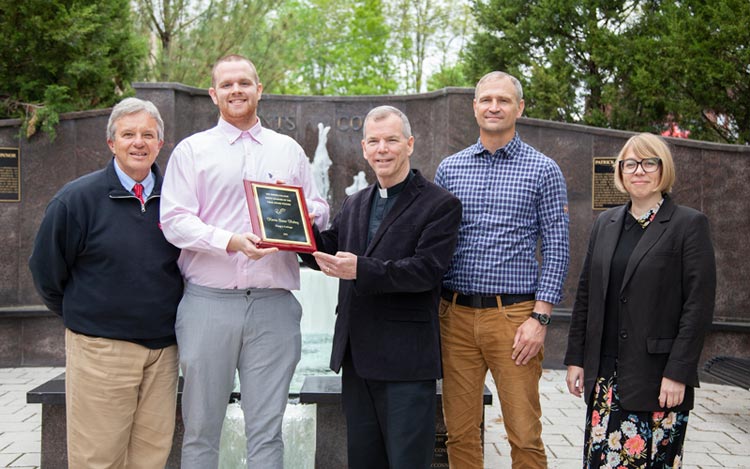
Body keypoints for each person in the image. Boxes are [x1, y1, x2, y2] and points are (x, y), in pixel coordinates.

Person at [159, 54, 329, 469]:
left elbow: (320, 209)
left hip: (273, 306)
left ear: (259, 89)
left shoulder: (287, 150)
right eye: (228, 84)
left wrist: (295, 223)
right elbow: (174, 222)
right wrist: (230, 241)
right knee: (200, 431)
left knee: (267, 433)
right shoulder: (192, 151)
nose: (237, 90)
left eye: (245, 83)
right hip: (208, 303)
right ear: (214, 94)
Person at [301, 105, 462, 469]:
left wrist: (362, 268)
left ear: (409, 144)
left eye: (391, 140)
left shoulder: (440, 204)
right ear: (363, 148)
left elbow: (426, 271)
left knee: (407, 462)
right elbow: (327, 248)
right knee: (363, 461)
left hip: (405, 362)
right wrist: (295, 232)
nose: (382, 149)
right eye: (373, 141)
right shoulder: (357, 201)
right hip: (357, 358)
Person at [28, 97, 183, 468]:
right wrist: (89, 320)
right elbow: (47, 272)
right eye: (128, 134)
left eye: (148, 134)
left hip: (163, 353)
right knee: (98, 459)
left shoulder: (179, 199)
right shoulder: (76, 200)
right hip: (102, 350)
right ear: (111, 143)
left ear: (160, 143)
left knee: (151, 457)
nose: (138, 142)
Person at [434, 71, 570, 468]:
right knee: (459, 433)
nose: (494, 106)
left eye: (504, 100)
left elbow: (558, 248)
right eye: (487, 99)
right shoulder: (450, 169)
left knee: (524, 434)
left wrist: (540, 318)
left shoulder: (543, 170)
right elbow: (439, 243)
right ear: (474, 107)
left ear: (520, 108)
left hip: (514, 320)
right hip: (454, 316)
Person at [564, 133, 716, 468]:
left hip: (658, 379)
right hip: (606, 378)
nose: (639, 171)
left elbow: (698, 306)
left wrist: (679, 371)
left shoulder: (689, 225)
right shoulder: (606, 223)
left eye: (650, 162)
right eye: (630, 163)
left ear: (664, 170)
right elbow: (586, 293)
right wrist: (577, 359)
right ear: (619, 171)